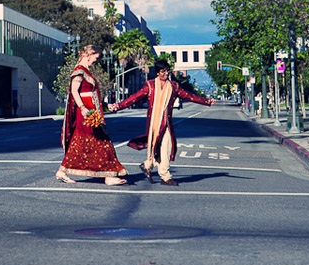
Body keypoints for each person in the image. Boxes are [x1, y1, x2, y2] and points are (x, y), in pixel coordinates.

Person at [109, 59, 215, 186]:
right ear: (158, 73)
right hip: (154, 123)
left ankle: (152, 168)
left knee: (166, 147)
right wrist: (117, 106)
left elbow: (190, 96)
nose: (166, 74)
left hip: (166, 123)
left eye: (167, 71)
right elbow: (134, 98)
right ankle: (162, 174)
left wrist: (207, 101)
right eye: (163, 71)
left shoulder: (174, 87)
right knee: (157, 147)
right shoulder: (150, 85)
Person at [56, 44, 128, 186]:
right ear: (89, 55)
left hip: (92, 110)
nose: (96, 61)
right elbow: (74, 91)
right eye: (95, 58)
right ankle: (109, 175)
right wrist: (83, 108)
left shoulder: (86, 71)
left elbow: (93, 94)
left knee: (83, 143)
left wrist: (105, 106)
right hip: (86, 111)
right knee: (100, 141)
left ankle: (62, 171)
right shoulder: (79, 71)